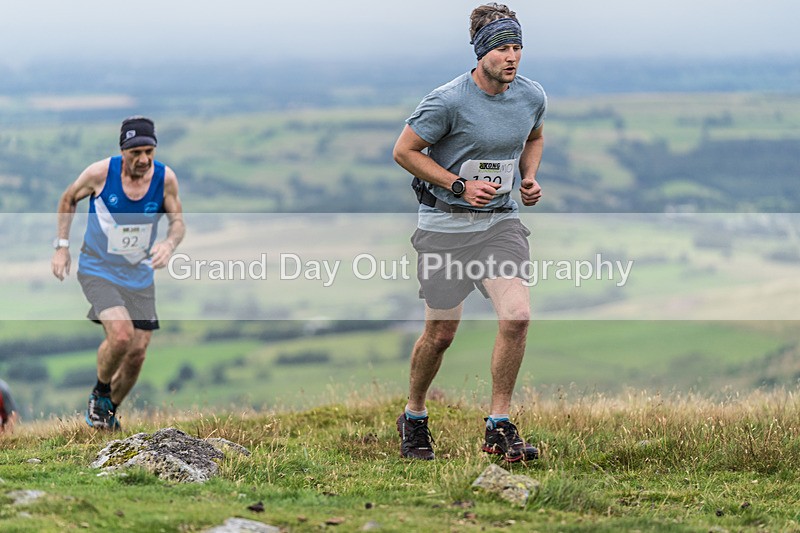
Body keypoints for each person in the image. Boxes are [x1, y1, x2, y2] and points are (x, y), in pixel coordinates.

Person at [392, 3, 545, 462]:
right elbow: (404, 151)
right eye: (502, 48)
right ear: (481, 52)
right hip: (443, 226)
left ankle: (499, 426)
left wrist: (529, 177)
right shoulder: (448, 100)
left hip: (499, 223)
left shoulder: (531, 95)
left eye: (517, 46)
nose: (512, 56)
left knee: (516, 316)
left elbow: (534, 136)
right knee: (441, 334)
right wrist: (458, 184)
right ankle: (414, 416)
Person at [51, 116, 185, 430]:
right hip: (99, 269)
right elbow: (68, 198)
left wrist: (169, 243)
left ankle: (105, 416)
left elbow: (178, 222)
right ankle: (100, 393)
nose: (143, 159)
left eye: (149, 151)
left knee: (137, 352)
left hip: (139, 275)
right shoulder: (99, 174)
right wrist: (61, 245)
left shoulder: (165, 179)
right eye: (136, 152)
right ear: (122, 151)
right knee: (122, 335)